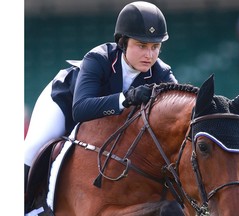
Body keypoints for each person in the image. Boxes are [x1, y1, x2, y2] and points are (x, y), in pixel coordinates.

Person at [24, 0, 178, 196]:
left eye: (155, 46)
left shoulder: (162, 73)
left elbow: (178, 104)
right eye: (141, 45)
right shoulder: (97, 59)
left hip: (104, 120)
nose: (149, 55)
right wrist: (126, 98)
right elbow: (80, 109)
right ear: (123, 42)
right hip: (64, 102)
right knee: (32, 150)